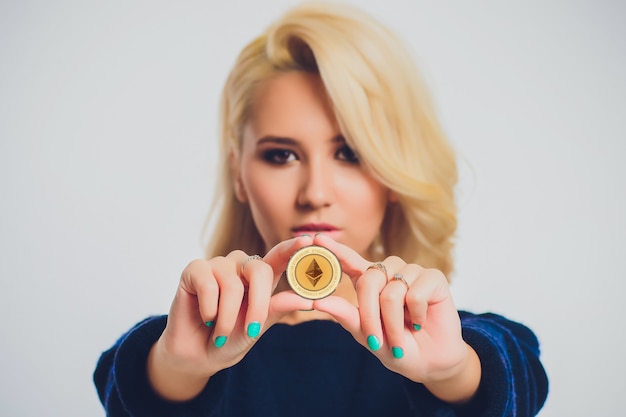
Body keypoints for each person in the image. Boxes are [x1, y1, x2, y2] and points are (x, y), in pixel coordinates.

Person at [93, 2, 549, 416]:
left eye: (350, 153)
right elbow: (118, 379)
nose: (314, 192)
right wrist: (173, 369)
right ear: (239, 174)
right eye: (281, 155)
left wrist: (454, 374)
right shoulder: (187, 349)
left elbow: (521, 371)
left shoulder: (444, 346)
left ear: (393, 173)